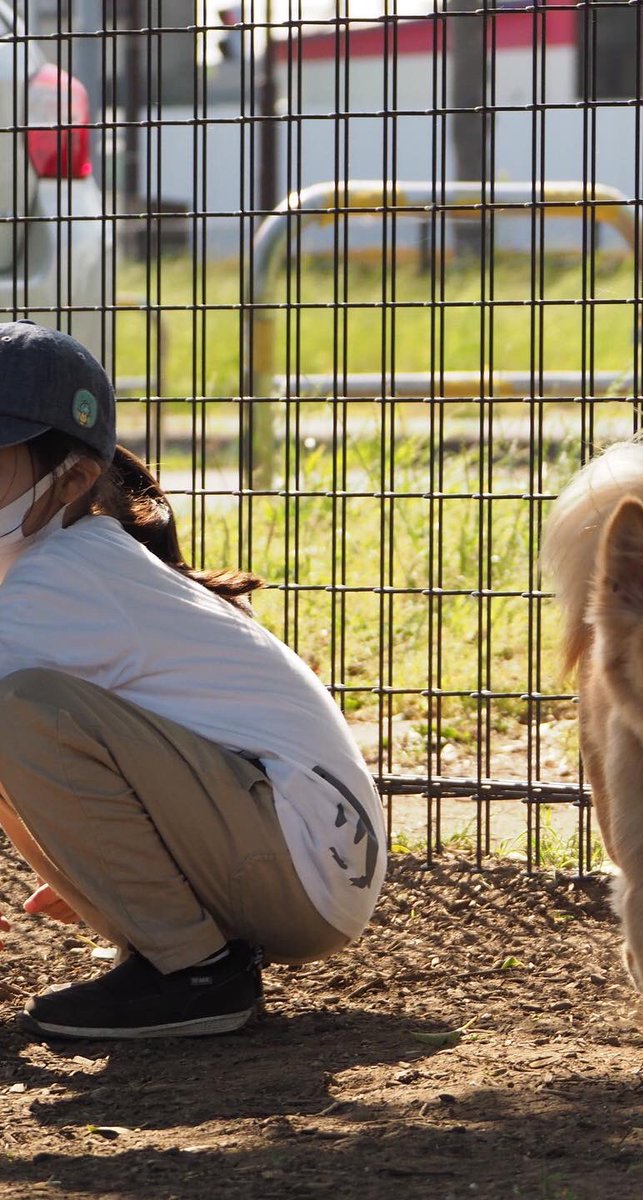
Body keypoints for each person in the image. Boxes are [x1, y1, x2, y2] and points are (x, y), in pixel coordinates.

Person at [0, 320, 385, 1039]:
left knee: (20, 710)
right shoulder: (78, 561)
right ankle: (182, 962)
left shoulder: (60, 576)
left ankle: (196, 975)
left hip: (294, 866)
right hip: (307, 867)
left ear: (75, 478)